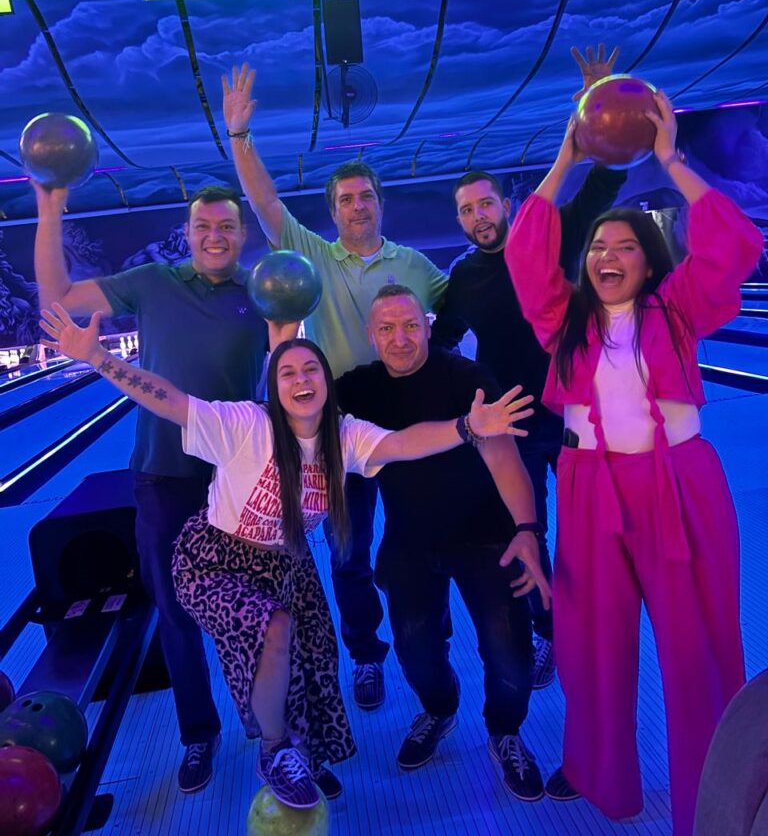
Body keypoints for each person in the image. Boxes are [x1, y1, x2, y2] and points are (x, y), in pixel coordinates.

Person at [39, 302, 535, 810]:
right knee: (273, 628)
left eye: (311, 369)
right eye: (288, 372)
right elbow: (168, 400)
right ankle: (275, 751)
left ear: (326, 382)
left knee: (315, 661)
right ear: (274, 387)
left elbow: (404, 443)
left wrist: (467, 427)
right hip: (215, 560)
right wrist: (99, 358)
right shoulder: (245, 424)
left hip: (287, 565)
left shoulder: (344, 436)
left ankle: (307, 758)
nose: (301, 379)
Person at [505, 91, 763, 836]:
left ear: (648, 262)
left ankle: (715, 792)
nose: (607, 256)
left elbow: (734, 243)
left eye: (623, 247)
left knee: (697, 647)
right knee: (590, 642)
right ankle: (600, 774)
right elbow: (525, 252)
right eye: (596, 247)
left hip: (679, 486)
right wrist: (565, 158)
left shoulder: (678, 310)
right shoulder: (562, 319)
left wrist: (670, 160)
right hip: (589, 490)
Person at [222, 65, 448, 710]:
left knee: (425, 542)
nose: (357, 206)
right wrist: (239, 136)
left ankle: (433, 645)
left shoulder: (416, 267)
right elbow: (266, 205)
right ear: (333, 211)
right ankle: (367, 655)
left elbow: (460, 311)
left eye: (365, 196)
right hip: (340, 428)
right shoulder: (314, 255)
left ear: (380, 203)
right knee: (349, 553)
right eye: (346, 199)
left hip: (406, 425)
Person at [32, 182, 268, 793]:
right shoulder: (154, 281)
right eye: (203, 226)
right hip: (163, 475)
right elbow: (58, 296)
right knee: (175, 609)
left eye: (226, 226)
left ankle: (268, 723)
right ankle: (199, 735)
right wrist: (50, 208)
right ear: (188, 233)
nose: (214, 236)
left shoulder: (262, 292)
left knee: (255, 607)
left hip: (238, 477)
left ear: (243, 235)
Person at [430, 43, 627, 689]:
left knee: (593, 524)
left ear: (506, 204)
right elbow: (443, 341)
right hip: (512, 421)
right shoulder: (463, 277)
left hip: (576, 412)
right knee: (526, 527)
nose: (478, 217)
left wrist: (593, 105)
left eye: (485, 204)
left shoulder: (553, 235)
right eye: (467, 210)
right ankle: (548, 630)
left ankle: (594, 617)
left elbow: (603, 181)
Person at [336, 284, 552, 801]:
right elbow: (293, 408)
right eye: (387, 328)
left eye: (411, 325)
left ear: (428, 327)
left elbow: (504, 459)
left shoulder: (467, 378)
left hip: (486, 536)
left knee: (511, 660)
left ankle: (505, 732)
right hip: (410, 540)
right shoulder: (359, 388)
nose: (400, 338)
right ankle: (440, 709)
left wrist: (527, 531)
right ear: (371, 335)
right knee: (416, 654)